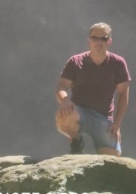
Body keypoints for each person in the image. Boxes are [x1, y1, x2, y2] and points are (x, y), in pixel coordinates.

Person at [55, 23, 131, 156]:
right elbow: (61, 86)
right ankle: (76, 140)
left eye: (103, 39)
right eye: (95, 38)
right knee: (64, 115)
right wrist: (65, 100)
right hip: (79, 114)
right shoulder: (75, 61)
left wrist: (117, 124)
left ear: (109, 41)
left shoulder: (118, 63)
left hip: (103, 118)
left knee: (113, 159)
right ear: (89, 40)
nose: (99, 42)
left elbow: (123, 94)